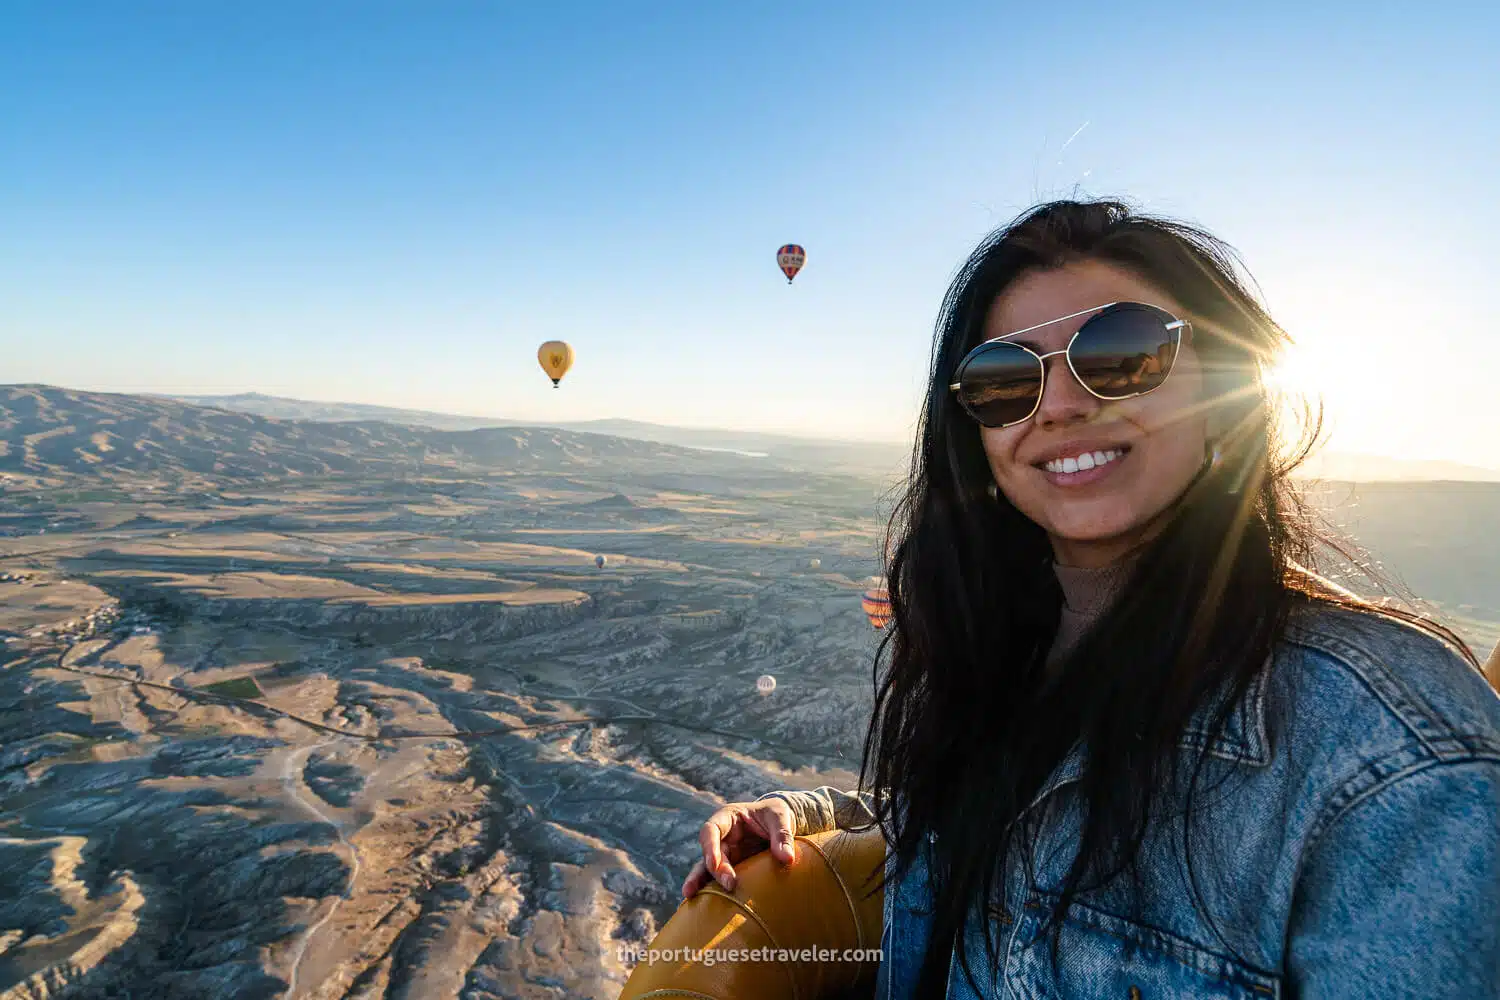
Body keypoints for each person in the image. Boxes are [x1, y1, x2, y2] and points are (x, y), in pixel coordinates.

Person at [682, 200, 1500, 998]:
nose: (1064, 404)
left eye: (1121, 353)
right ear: (973, 434)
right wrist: (813, 815)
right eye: (1004, 380)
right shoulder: (1002, 646)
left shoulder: (1383, 749)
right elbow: (1014, 826)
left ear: (1228, 388)